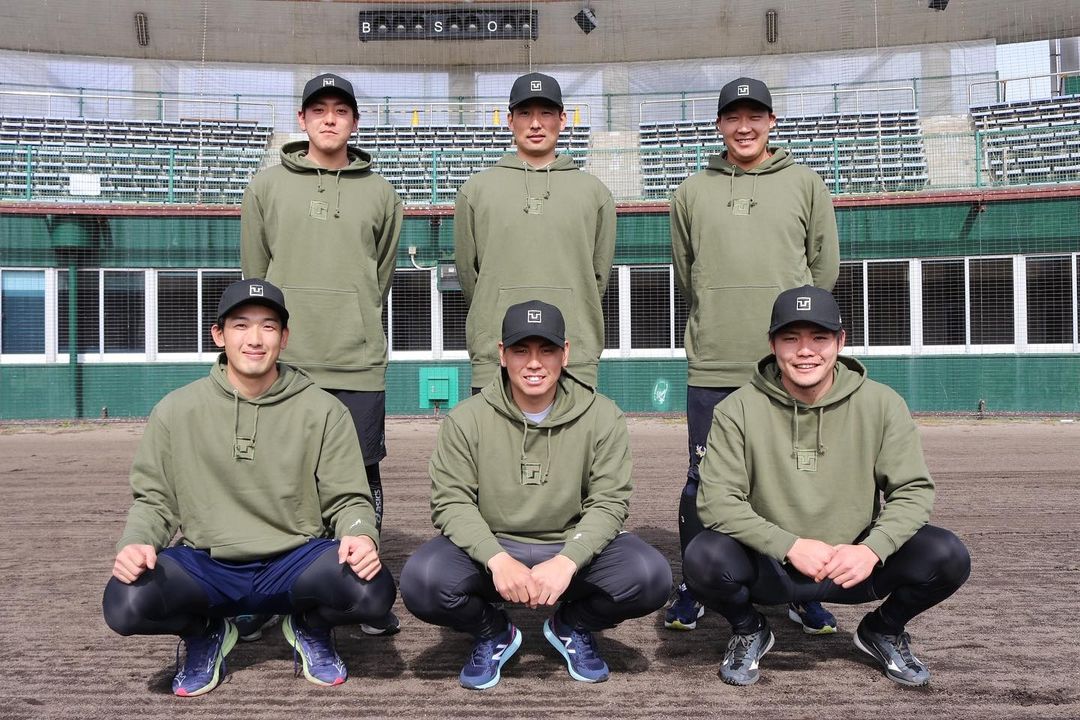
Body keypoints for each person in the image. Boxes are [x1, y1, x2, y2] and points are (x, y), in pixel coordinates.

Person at [102, 279, 397, 697]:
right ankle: (204, 632)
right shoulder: (175, 410)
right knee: (125, 604)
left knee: (373, 590)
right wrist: (137, 542)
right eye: (241, 325)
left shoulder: (324, 410)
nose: (255, 339)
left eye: (268, 326)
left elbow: (348, 497)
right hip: (208, 565)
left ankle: (311, 627)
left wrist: (359, 534)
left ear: (285, 337)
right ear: (219, 335)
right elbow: (155, 500)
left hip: (295, 562)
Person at [683, 286, 971, 687]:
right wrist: (789, 545)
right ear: (772, 344)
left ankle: (883, 629)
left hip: (852, 564)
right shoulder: (738, 409)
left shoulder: (882, 403)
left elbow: (913, 491)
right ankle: (749, 629)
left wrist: (873, 548)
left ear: (840, 341)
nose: (805, 351)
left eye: (819, 337)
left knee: (947, 555)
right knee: (702, 557)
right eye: (791, 338)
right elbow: (718, 502)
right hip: (772, 565)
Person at [399, 301, 671, 690]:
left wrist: (568, 560)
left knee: (650, 575)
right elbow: (451, 502)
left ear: (565, 353)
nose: (534, 363)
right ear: (501, 354)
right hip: (495, 548)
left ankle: (572, 625)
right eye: (520, 350)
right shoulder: (465, 418)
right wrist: (496, 559)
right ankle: (493, 631)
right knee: (422, 581)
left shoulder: (602, 415)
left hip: (568, 546)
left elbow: (610, 502)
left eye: (546, 350)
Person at [666, 76, 841, 634]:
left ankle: (800, 586)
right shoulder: (690, 192)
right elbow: (688, 274)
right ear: (719, 125)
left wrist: (797, 340)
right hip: (715, 361)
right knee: (703, 479)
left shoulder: (805, 183)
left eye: (755, 116)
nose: (744, 127)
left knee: (793, 481)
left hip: (788, 369)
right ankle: (696, 584)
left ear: (771, 121)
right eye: (733, 117)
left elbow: (823, 271)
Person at [454, 72, 616, 392]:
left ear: (563, 119)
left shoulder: (595, 193)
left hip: (574, 359)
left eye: (546, 113)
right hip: (496, 360)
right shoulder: (475, 191)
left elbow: (597, 278)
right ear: (510, 121)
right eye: (525, 113)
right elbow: (469, 277)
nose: (536, 124)